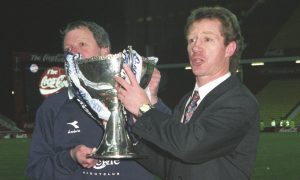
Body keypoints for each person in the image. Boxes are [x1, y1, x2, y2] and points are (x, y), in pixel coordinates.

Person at [115, 6, 260, 180]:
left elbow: (190, 147)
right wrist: (130, 129)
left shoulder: (239, 101)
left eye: (207, 39)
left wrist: (143, 108)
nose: (196, 47)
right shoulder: (188, 101)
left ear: (229, 48)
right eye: (191, 40)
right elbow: (168, 164)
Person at [25, 20, 171, 180]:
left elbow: (170, 155)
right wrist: (70, 157)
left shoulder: (138, 101)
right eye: (68, 49)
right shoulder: (53, 108)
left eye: (82, 44)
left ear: (105, 51)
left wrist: (151, 99)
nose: (74, 52)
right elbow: (36, 171)